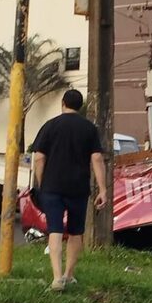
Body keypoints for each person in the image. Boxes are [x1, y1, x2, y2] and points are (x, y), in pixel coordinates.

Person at [32, 89, 107, 291]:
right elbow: (97, 159)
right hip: (78, 187)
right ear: (80, 106)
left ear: (63, 103)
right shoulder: (89, 128)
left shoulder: (50, 126)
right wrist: (103, 189)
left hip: (52, 187)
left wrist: (42, 181)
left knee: (55, 230)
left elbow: (39, 157)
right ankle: (69, 275)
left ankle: (57, 279)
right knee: (76, 232)